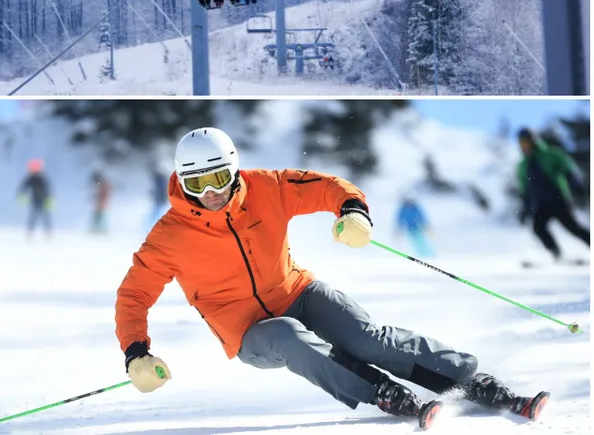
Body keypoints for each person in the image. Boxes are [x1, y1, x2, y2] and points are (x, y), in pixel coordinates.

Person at [115, 127, 547, 424]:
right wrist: (137, 352)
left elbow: (327, 186)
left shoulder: (266, 188)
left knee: (368, 337)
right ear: (182, 182)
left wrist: (352, 212)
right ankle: (383, 392)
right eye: (197, 183)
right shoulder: (170, 235)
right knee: (288, 336)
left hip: (297, 290)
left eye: (218, 178)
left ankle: (473, 382)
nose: (209, 193)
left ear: (233, 170)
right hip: (248, 330)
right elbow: (134, 295)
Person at [517, 128, 590, 262]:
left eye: (527, 141)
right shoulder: (523, 165)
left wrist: (575, 185)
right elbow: (526, 191)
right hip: (542, 203)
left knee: (572, 227)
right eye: (522, 142)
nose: (524, 145)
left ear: (533, 141)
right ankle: (557, 254)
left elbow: (567, 169)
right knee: (538, 227)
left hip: (558, 199)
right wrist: (525, 210)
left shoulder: (550, 155)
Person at [18, 159, 53, 239]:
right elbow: (23, 187)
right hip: (35, 200)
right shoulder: (32, 178)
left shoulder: (41, 178)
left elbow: (47, 189)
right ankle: (31, 233)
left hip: (43, 200)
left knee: (44, 217)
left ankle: (47, 233)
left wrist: (48, 199)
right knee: (34, 217)